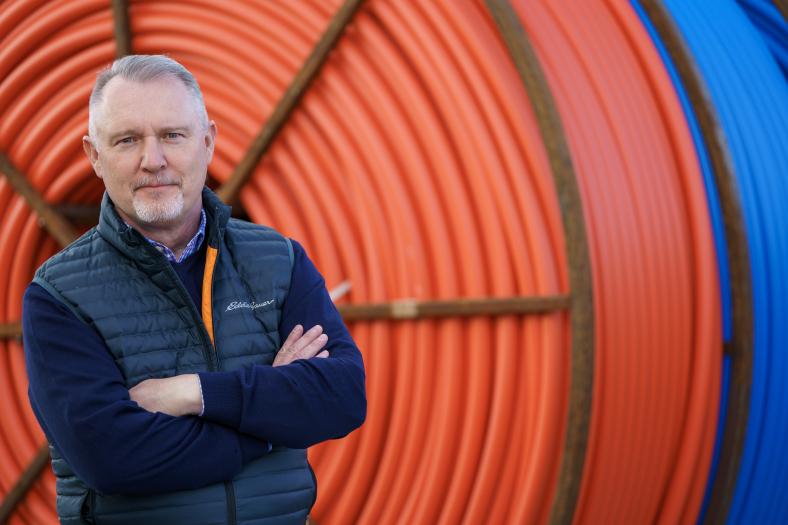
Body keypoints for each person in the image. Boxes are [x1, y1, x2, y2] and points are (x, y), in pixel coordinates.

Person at [22, 55, 366, 525]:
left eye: (172, 135)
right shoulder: (58, 297)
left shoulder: (278, 261)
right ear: (94, 156)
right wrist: (268, 425)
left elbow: (342, 397)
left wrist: (194, 393)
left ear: (208, 142)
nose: (153, 160)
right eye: (127, 140)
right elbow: (113, 457)